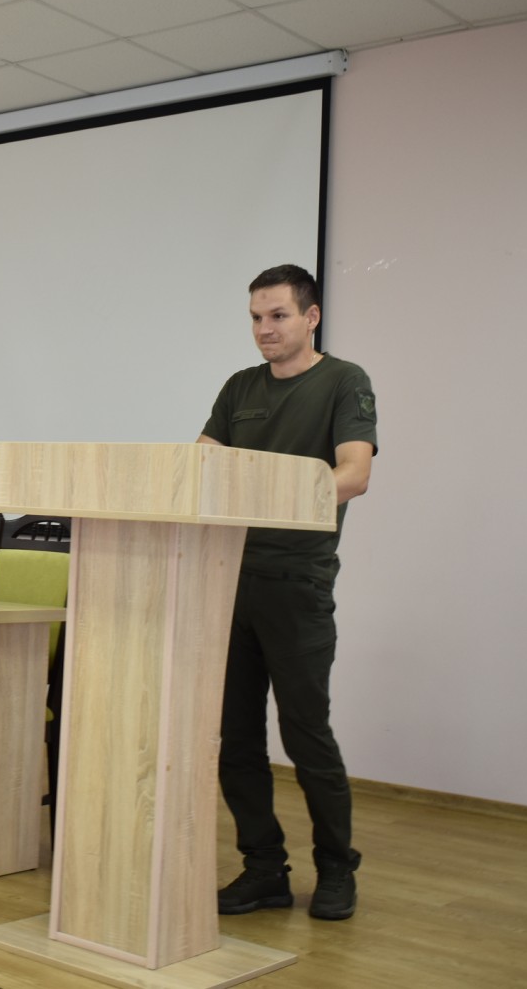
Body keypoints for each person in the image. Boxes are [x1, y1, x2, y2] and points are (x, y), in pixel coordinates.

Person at [198, 264, 377, 922]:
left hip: (297, 584)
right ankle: (264, 870)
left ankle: (336, 869)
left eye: (277, 316)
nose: (264, 329)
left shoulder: (344, 382)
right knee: (236, 738)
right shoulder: (239, 388)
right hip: (227, 581)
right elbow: (200, 464)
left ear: (311, 316)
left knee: (306, 735)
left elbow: (353, 475)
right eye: (255, 318)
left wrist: (271, 494)